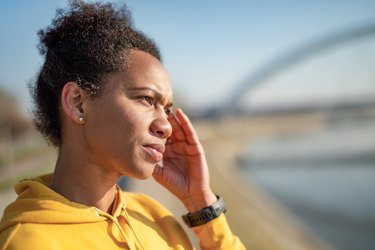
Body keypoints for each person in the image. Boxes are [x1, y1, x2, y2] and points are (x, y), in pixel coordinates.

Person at [0, 1, 244, 249]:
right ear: (77, 103)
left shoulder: (153, 215)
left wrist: (200, 201)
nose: (166, 126)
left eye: (167, 109)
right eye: (146, 99)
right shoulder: (27, 241)